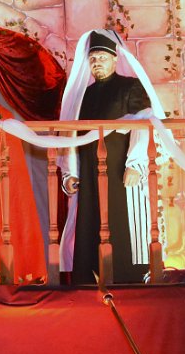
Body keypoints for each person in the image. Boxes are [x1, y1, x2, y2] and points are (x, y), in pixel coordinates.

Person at [58, 30, 164, 284]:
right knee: (90, 224)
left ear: (115, 59)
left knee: (123, 224)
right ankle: (89, 280)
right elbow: (71, 135)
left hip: (120, 170)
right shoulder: (83, 95)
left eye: (102, 58)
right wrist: (70, 173)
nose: (97, 62)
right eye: (93, 58)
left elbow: (145, 124)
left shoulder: (131, 87)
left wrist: (136, 163)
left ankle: (131, 279)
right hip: (89, 173)